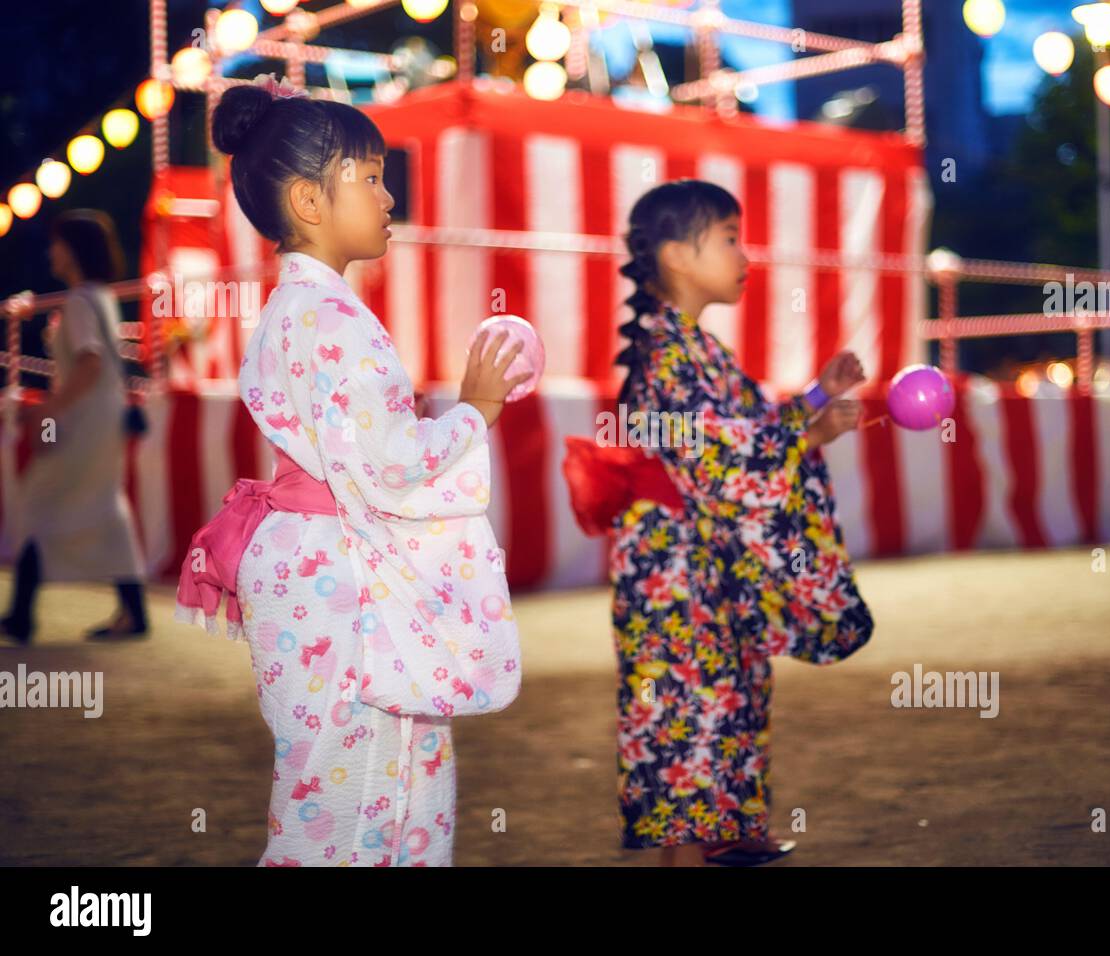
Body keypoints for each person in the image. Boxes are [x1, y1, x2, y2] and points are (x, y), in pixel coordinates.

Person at [174, 74, 527, 866]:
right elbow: (393, 467)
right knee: (352, 790)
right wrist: (475, 411)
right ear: (308, 202)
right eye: (367, 178)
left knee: (368, 770)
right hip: (333, 576)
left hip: (311, 563)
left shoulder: (300, 309)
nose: (388, 195)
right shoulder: (328, 317)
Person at [593, 179, 875, 866]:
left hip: (709, 574)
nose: (745, 255)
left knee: (716, 728)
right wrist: (809, 440)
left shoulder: (692, 347)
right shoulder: (667, 354)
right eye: (729, 238)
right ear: (678, 255)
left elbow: (746, 425)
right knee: (690, 746)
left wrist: (816, 396)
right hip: (677, 585)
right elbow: (718, 461)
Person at [1, 209, 149, 643]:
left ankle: (22, 615)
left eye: (57, 243)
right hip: (102, 416)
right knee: (102, 506)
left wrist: (50, 410)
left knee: (38, 498)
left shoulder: (81, 301)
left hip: (83, 416)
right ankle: (132, 611)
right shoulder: (97, 297)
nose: (52, 251)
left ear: (73, 249)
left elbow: (89, 361)